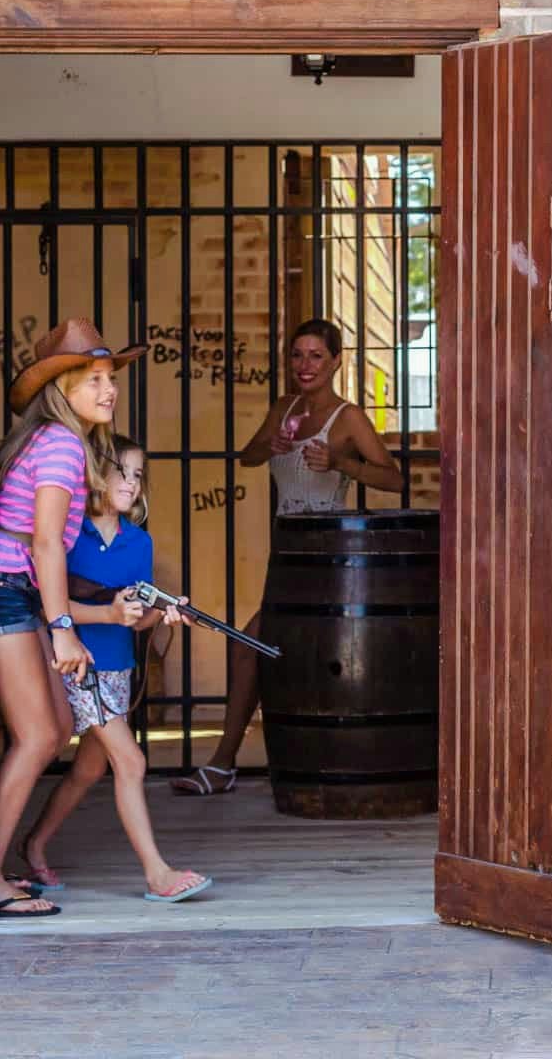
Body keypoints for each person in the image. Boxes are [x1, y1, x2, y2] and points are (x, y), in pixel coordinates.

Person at [171, 318, 406, 796]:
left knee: (261, 646)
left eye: (316, 355)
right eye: (297, 355)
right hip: (287, 555)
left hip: (327, 557)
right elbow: (250, 458)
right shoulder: (284, 407)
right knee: (260, 648)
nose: (304, 365)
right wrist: (271, 443)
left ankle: (225, 762)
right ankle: (236, 763)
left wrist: (340, 463)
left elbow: (394, 479)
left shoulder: (350, 417)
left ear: (336, 361)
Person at [14, 436, 213, 904]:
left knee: (88, 770)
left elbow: (133, 614)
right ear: (94, 477)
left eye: (138, 474)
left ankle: (35, 843)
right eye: (121, 471)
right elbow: (52, 606)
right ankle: (157, 874)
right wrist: (104, 613)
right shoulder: (66, 535)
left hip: (118, 668)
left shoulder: (138, 541)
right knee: (131, 761)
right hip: (79, 665)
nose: (130, 482)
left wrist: (163, 613)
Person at [0, 318, 143, 919]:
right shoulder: (58, 444)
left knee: (53, 731)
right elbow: (48, 544)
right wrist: (63, 630)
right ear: (64, 388)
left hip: (21, 592)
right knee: (36, 738)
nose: (109, 390)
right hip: (11, 592)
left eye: (111, 379)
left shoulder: (61, 440)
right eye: (95, 380)